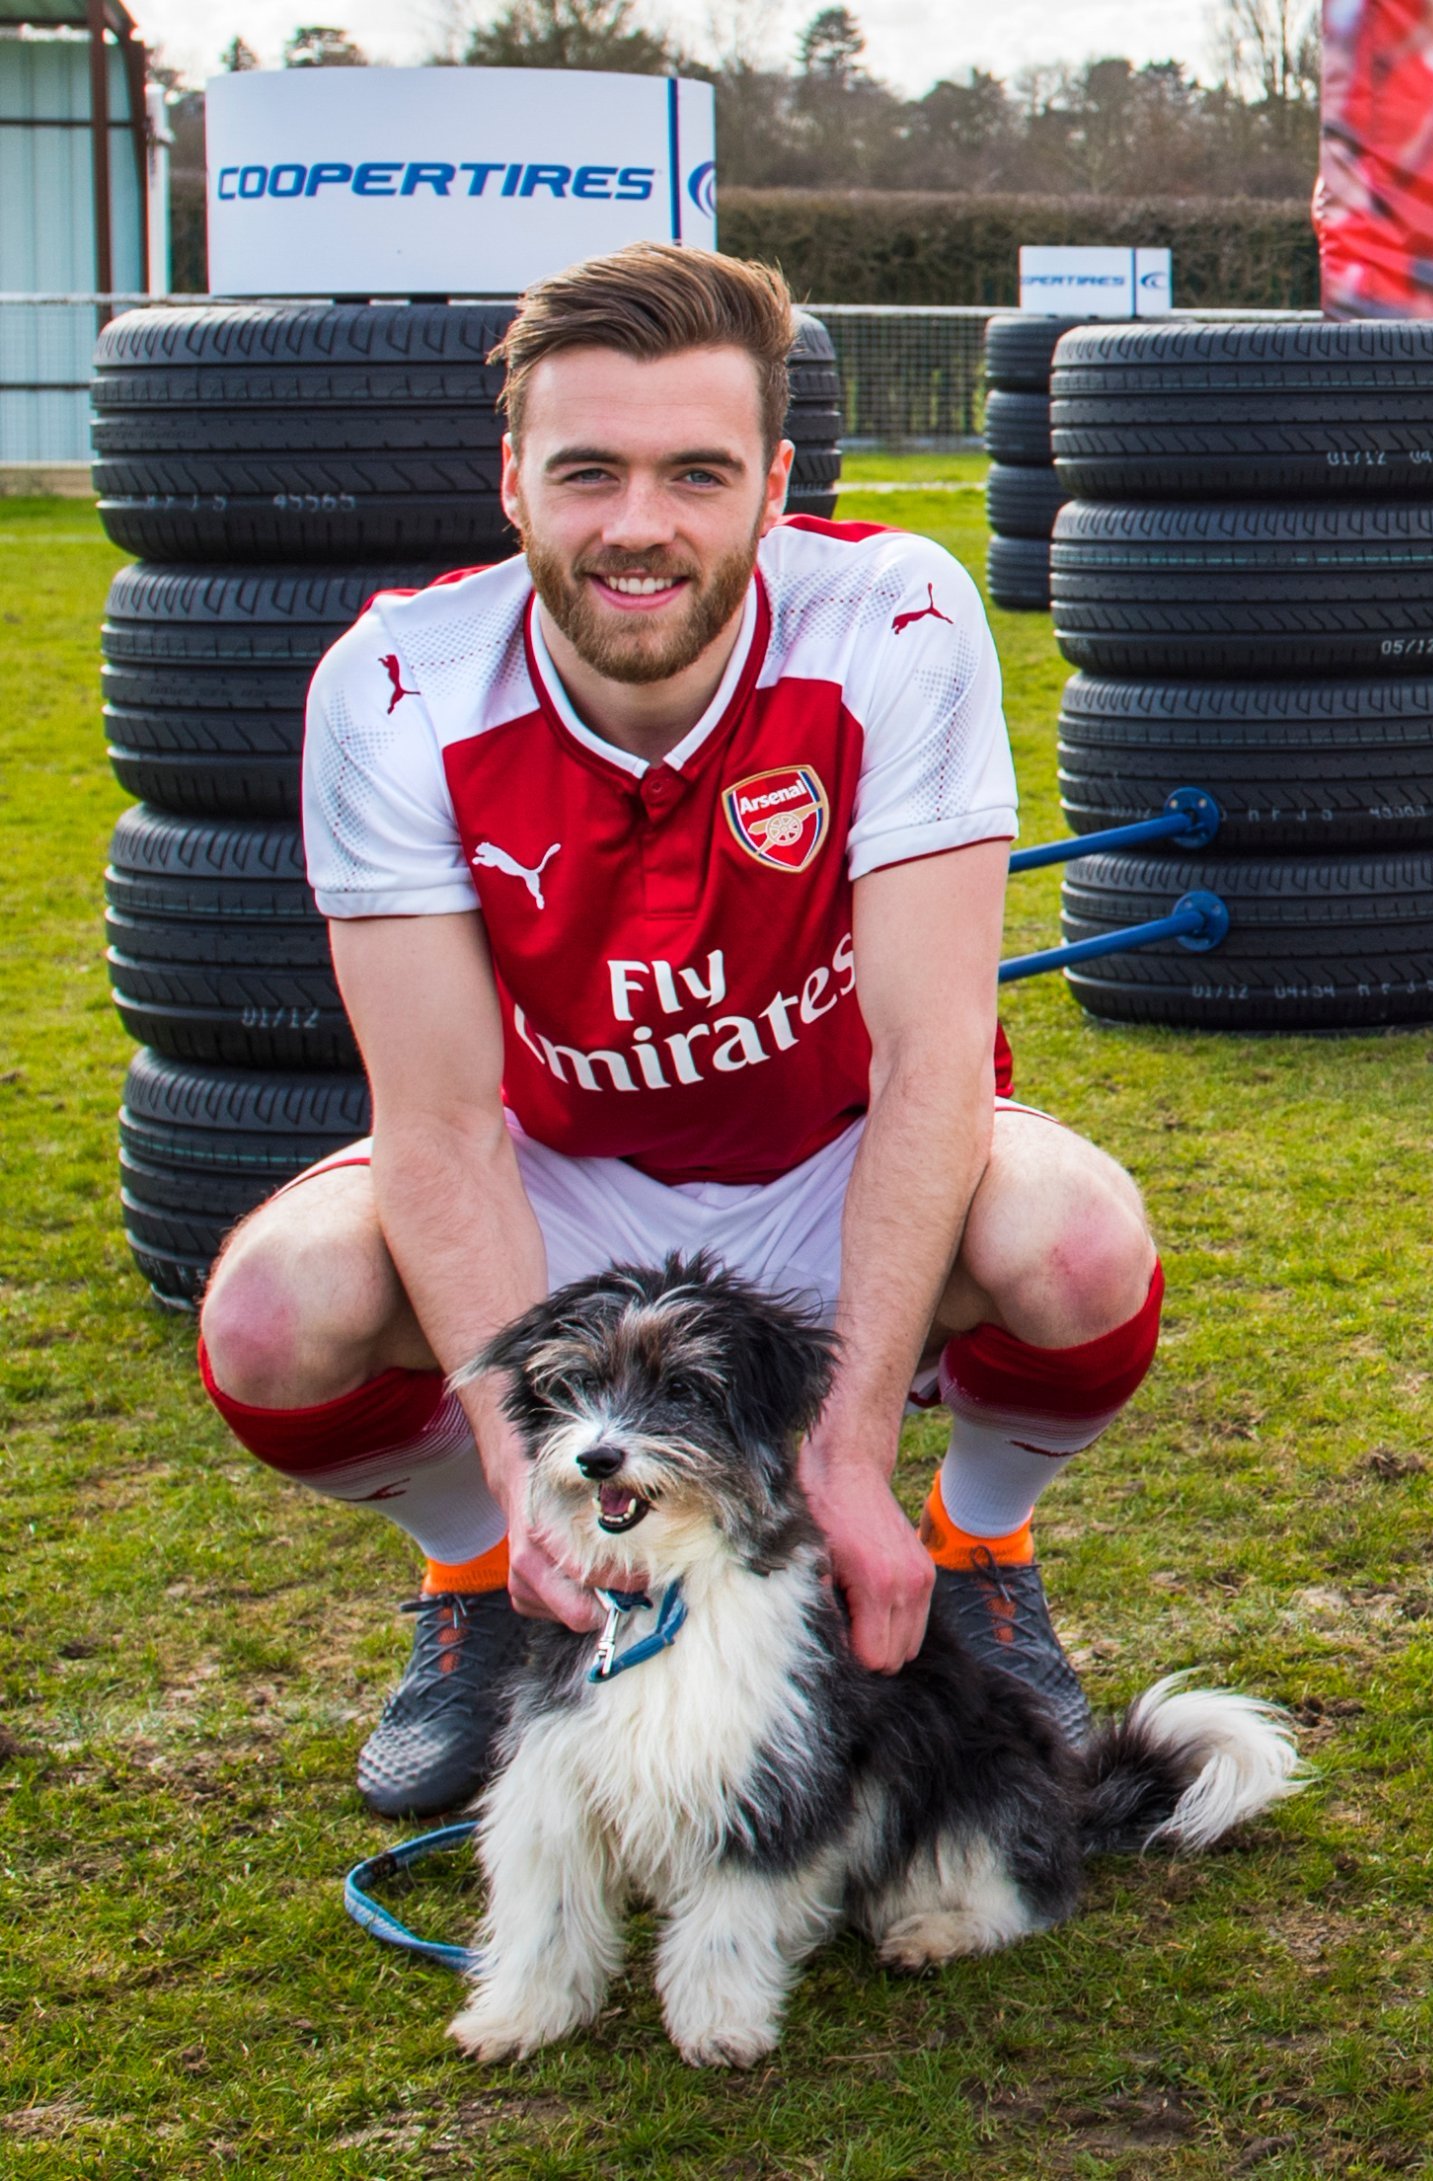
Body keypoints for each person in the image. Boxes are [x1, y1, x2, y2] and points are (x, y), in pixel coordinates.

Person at [203, 244, 1164, 1818]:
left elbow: (934, 1066)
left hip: (830, 1157)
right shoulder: (392, 683)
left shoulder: (896, 617)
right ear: (509, 484)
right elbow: (438, 1124)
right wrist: (531, 1490)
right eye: (586, 472)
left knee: (1075, 1248)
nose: (637, 525)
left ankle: (979, 1542)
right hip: (562, 1175)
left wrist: (846, 1453)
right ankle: (468, 1584)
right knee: (268, 1317)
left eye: (694, 473)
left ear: (773, 484)